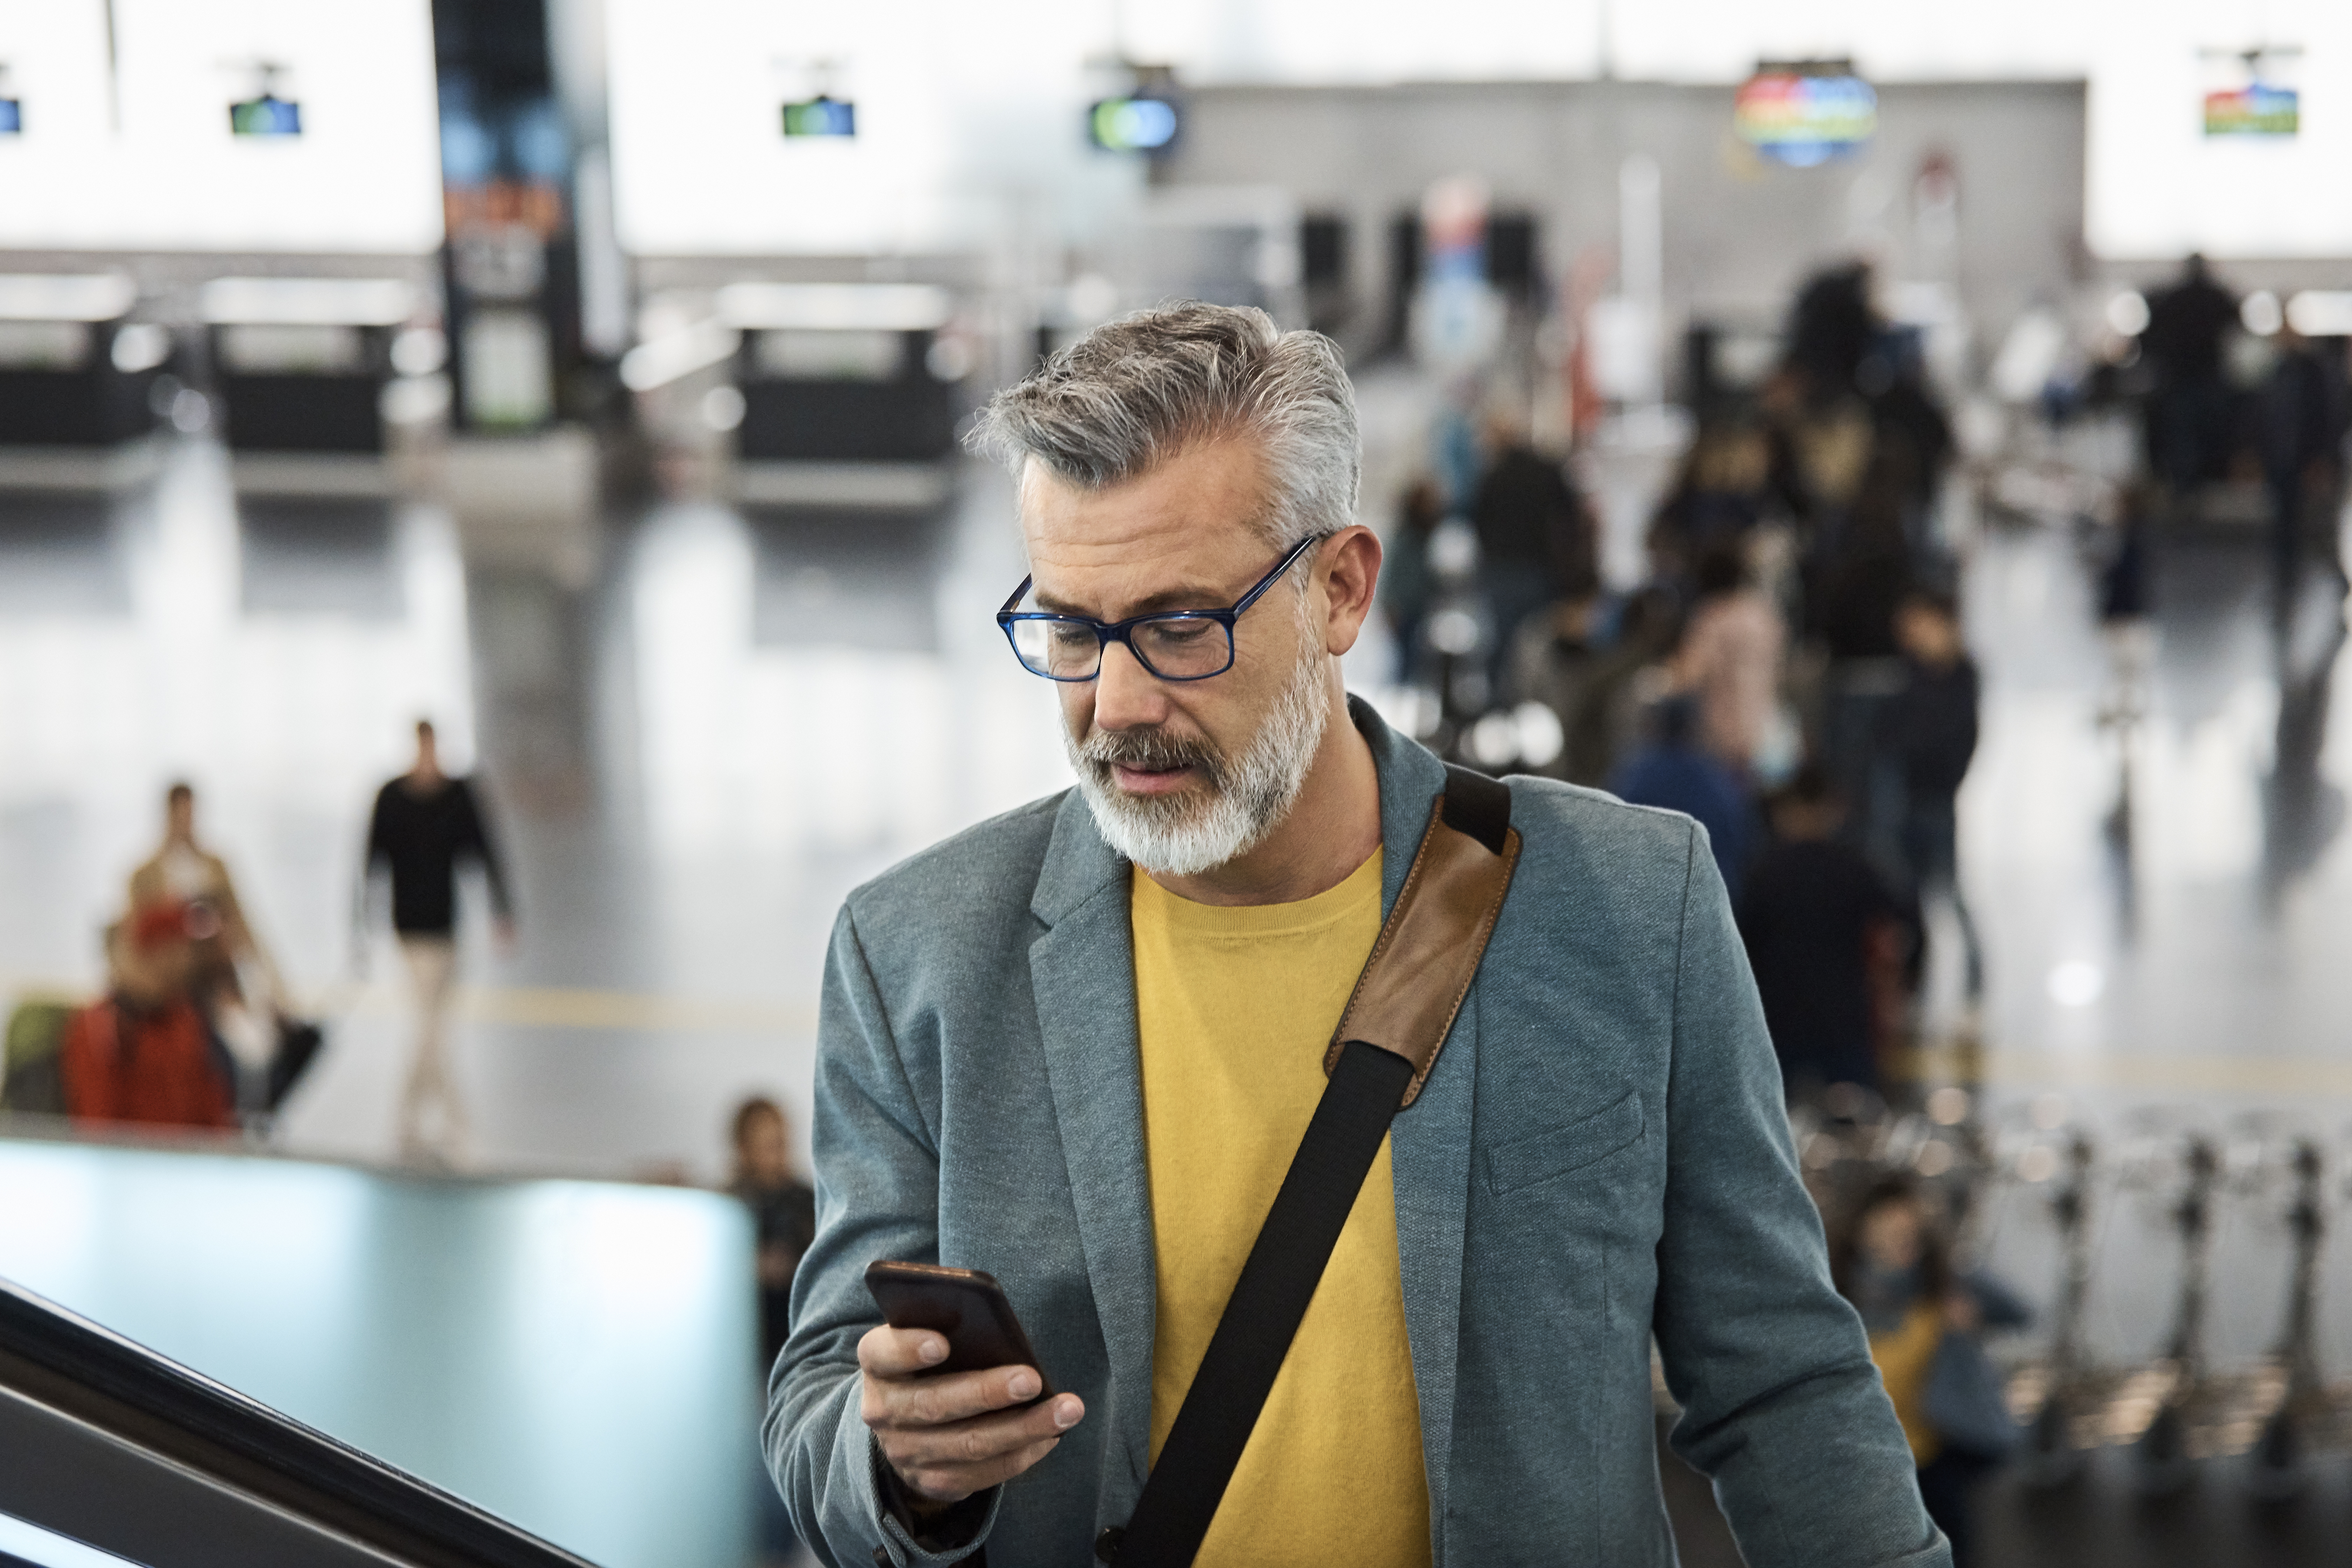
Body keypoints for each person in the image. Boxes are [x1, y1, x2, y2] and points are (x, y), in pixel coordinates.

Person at [766, 302, 1947, 1567]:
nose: (1113, 705)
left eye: (1175, 626)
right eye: (1067, 630)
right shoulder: (918, 960)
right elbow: (815, 1413)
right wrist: (898, 1465)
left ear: (1338, 589)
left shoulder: (1623, 906)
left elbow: (1779, 1381)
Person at [1830, 1176, 2031, 1568]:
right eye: (1891, 1232)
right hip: (1859, 1468)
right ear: (1861, 1231)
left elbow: (2020, 1312)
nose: (1902, 1245)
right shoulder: (1837, 1295)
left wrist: (1962, 1279)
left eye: (1912, 1235)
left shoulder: (1942, 1286)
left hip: (1930, 1461)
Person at [357, 720, 513, 1165]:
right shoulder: (391, 797)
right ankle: (452, 1128)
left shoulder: (458, 795)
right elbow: (370, 861)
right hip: (410, 929)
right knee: (432, 1031)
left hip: (448, 928)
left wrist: (503, 911)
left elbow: (485, 851)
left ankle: (409, 1125)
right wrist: (360, 927)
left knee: (433, 1030)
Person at [1737, 766, 1916, 1099]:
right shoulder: (1858, 870)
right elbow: (1905, 927)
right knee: (1854, 1126)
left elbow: (1739, 951)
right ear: (1834, 810)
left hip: (1777, 1022)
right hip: (1845, 1023)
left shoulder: (1763, 874)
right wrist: (1905, 991)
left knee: (1778, 1126)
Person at [128, 782, 285, 1091]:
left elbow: (244, 925)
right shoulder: (145, 876)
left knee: (256, 1049)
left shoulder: (214, 867)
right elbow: (138, 938)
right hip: (170, 990)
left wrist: (274, 986)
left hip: (218, 979)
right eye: (182, 813)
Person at [1883, 592, 1982, 999]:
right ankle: (1913, 985)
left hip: (1938, 801)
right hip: (1906, 798)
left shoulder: (1960, 675)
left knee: (1951, 896)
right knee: (1908, 900)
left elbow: (1958, 738)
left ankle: (1974, 988)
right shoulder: (1908, 673)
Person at [1469, 408, 1594, 684]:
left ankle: (1500, 706)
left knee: (1502, 645)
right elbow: (1572, 517)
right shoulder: (1546, 470)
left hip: (1501, 571)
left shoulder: (1492, 477)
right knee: (1543, 642)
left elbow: (1478, 524)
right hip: (1541, 568)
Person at [1608, 693, 1758, 902]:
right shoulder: (1713, 778)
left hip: (1644, 898)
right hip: (1709, 897)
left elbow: (1612, 832)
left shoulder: (1637, 775)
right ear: (1692, 727)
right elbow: (1740, 838)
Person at [1674, 543, 1785, 776]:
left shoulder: (1711, 618)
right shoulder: (1763, 616)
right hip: (1766, 728)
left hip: (1723, 735)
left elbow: (1690, 675)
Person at [2138, 253, 2240, 495]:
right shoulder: (2216, 298)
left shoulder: (2171, 300)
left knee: (2184, 443)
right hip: (2205, 384)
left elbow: (2148, 340)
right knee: (2207, 441)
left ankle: (2185, 488)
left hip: (2181, 385)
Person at [729, 1096, 819, 1372]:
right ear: (744, 1148)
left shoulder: (806, 1202)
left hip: (797, 1340)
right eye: (766, 1146)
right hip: (744, 1341)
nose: (776, 1155)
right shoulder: (730, 1206)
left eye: (779, 1144)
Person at [1378, 477, 1444, 684]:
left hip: (1422, 607)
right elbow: (1392, 580)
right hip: (1404, 609)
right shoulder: (1404, 541)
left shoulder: (1427, 538)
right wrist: (1391, 608)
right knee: (1405, 658)